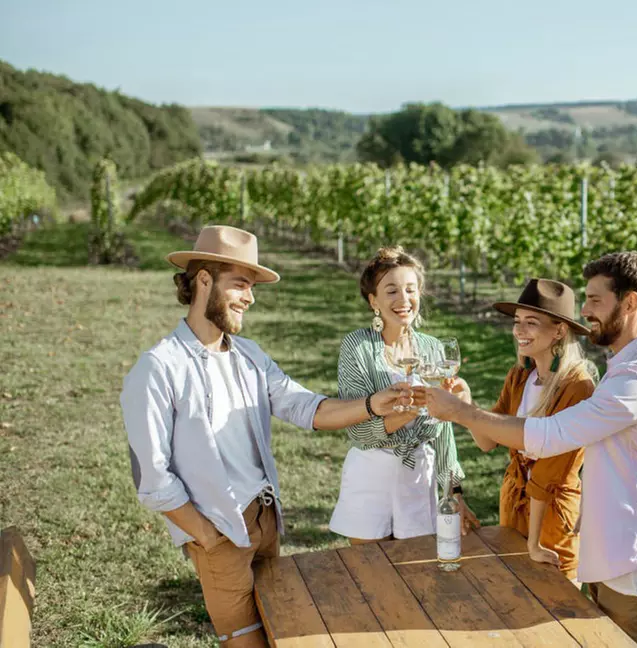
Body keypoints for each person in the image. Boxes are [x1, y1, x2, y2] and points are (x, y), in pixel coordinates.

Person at [121, 225, 413, 648]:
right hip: (218, 532)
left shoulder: (249, 357)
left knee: (281, 635)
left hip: (265, 520)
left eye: (252, 286)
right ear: (204, 280)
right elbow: (152, 478)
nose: (250, 297)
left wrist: (373, 404)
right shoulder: (158, 369)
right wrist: (206, 535)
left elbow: (305, 406)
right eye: (241, 284)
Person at [425, 252, 637, 648]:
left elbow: (551, 437)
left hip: (632, 561)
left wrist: (461, 412)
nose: (586, 309)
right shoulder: (622, 366)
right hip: (609, 551)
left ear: (629, 303)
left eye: (596, 299)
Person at [328, 246, 479, 545]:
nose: (403, 299)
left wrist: (453, 490)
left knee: (416, 573)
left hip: (418, 478)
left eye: (410, 289)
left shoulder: (434, 349)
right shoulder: (357, 347)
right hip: (371, 477)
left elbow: (443, 432)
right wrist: (407, 414)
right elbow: (359, 432)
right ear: (374, 301)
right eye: (391, 291)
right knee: (370, 577)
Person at [479, 278, 595, 579]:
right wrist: (463, 404)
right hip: (514, 501)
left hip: (552, 513)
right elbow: (487, 442)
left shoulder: (577, 387)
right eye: (517, 322)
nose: (519, 330)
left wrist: (533, 543)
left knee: (556, 603)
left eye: (531, 322)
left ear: (559, 330)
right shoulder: (520, 376)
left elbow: (549, 473)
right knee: (513, 593)